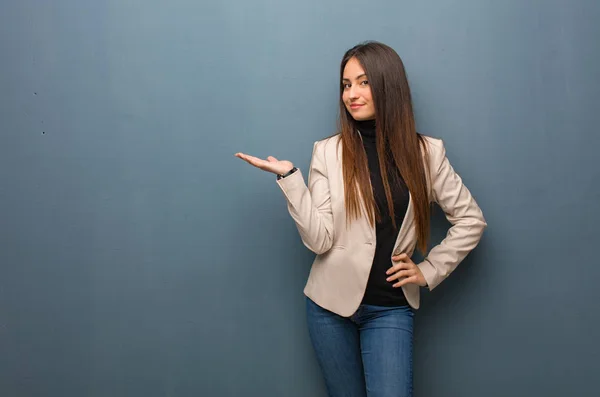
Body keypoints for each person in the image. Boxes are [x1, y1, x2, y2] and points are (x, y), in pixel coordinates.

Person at [235, 41, 487, 397]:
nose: (351, 94)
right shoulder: (328, 152)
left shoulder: (427, 153)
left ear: (388, 85)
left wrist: (429, 270)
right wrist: (290, 178)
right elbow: (319, 240)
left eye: (363, 82)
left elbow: (470, 219)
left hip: (390, 309)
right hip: (328, 308)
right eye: (346, 84)